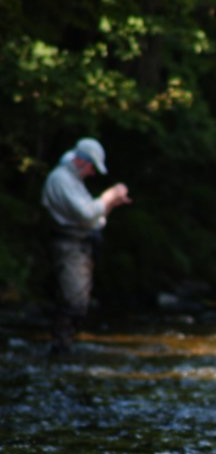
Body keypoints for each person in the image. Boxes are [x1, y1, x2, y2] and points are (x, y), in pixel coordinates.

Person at [40, 137, 132, 354]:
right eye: (93, 167)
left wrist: (110, 203)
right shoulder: (60, 179)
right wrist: (108, 196)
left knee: (79, 300)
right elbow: (86, 212)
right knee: (73, 300)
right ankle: (60, 348)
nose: (93, 173)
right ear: (81, 161)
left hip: (81, 246)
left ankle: (64, 346)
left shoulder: (73, 181)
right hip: (68, 247)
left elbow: (94, 219)